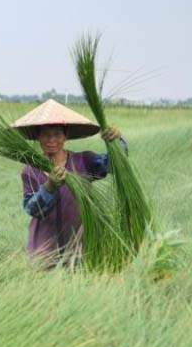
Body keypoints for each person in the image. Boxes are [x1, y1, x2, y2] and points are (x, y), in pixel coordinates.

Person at [14, 99, 127, 266]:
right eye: (45, 134)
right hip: (43, 248)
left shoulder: (83, 160)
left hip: (79, 245)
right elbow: (32, 208)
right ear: (38, 137)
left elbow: (114, 163)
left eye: (57, 134)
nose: (51, 140)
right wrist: (49, 186)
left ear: (65, 136)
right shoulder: (31, 170)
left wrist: (117, 142)